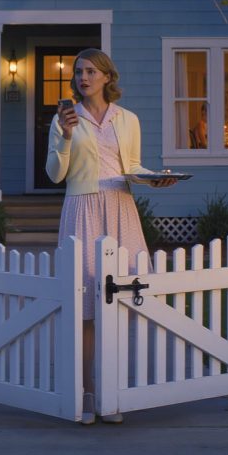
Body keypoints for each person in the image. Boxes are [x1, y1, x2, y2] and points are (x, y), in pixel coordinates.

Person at [45, 48, 175, 425]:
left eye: (90, 71)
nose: (83, 77)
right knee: (86, 308)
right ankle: (86, 393)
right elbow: (55, 174)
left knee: (118, 302)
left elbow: (131, 168)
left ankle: (111, 394)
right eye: (78, 72)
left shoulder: (128, 119)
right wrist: (66, 136)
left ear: (106, 77)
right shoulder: (65, 120)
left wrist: (155, 179)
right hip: (82, 207)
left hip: (120, 206)